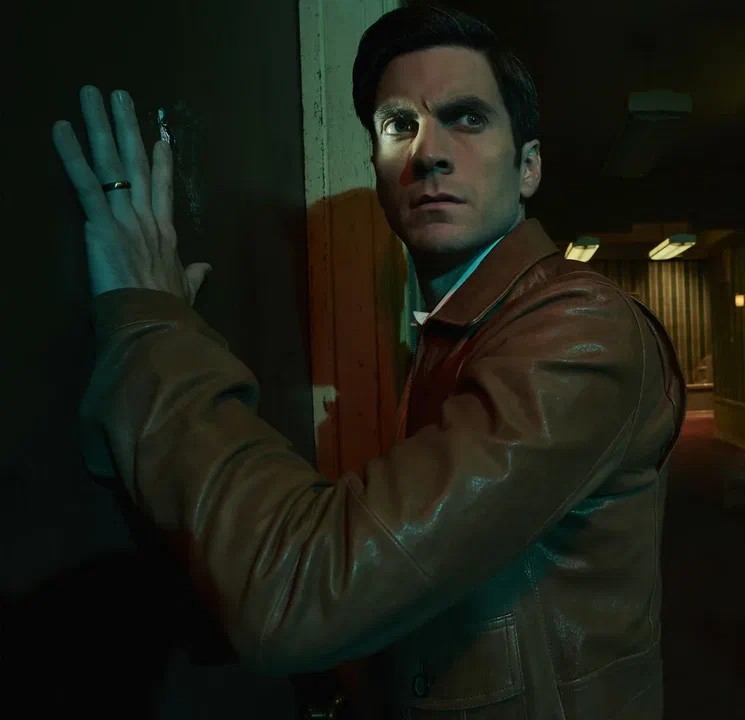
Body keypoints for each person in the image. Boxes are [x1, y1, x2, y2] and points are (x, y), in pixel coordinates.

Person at [51, 5, 685, 719]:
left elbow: (296, 592)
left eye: (466, 119)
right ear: (379, 171)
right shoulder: (458, 329)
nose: (428, 152)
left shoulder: (578, 328)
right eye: (398, 126)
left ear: (529, 166)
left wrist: (154, 326)